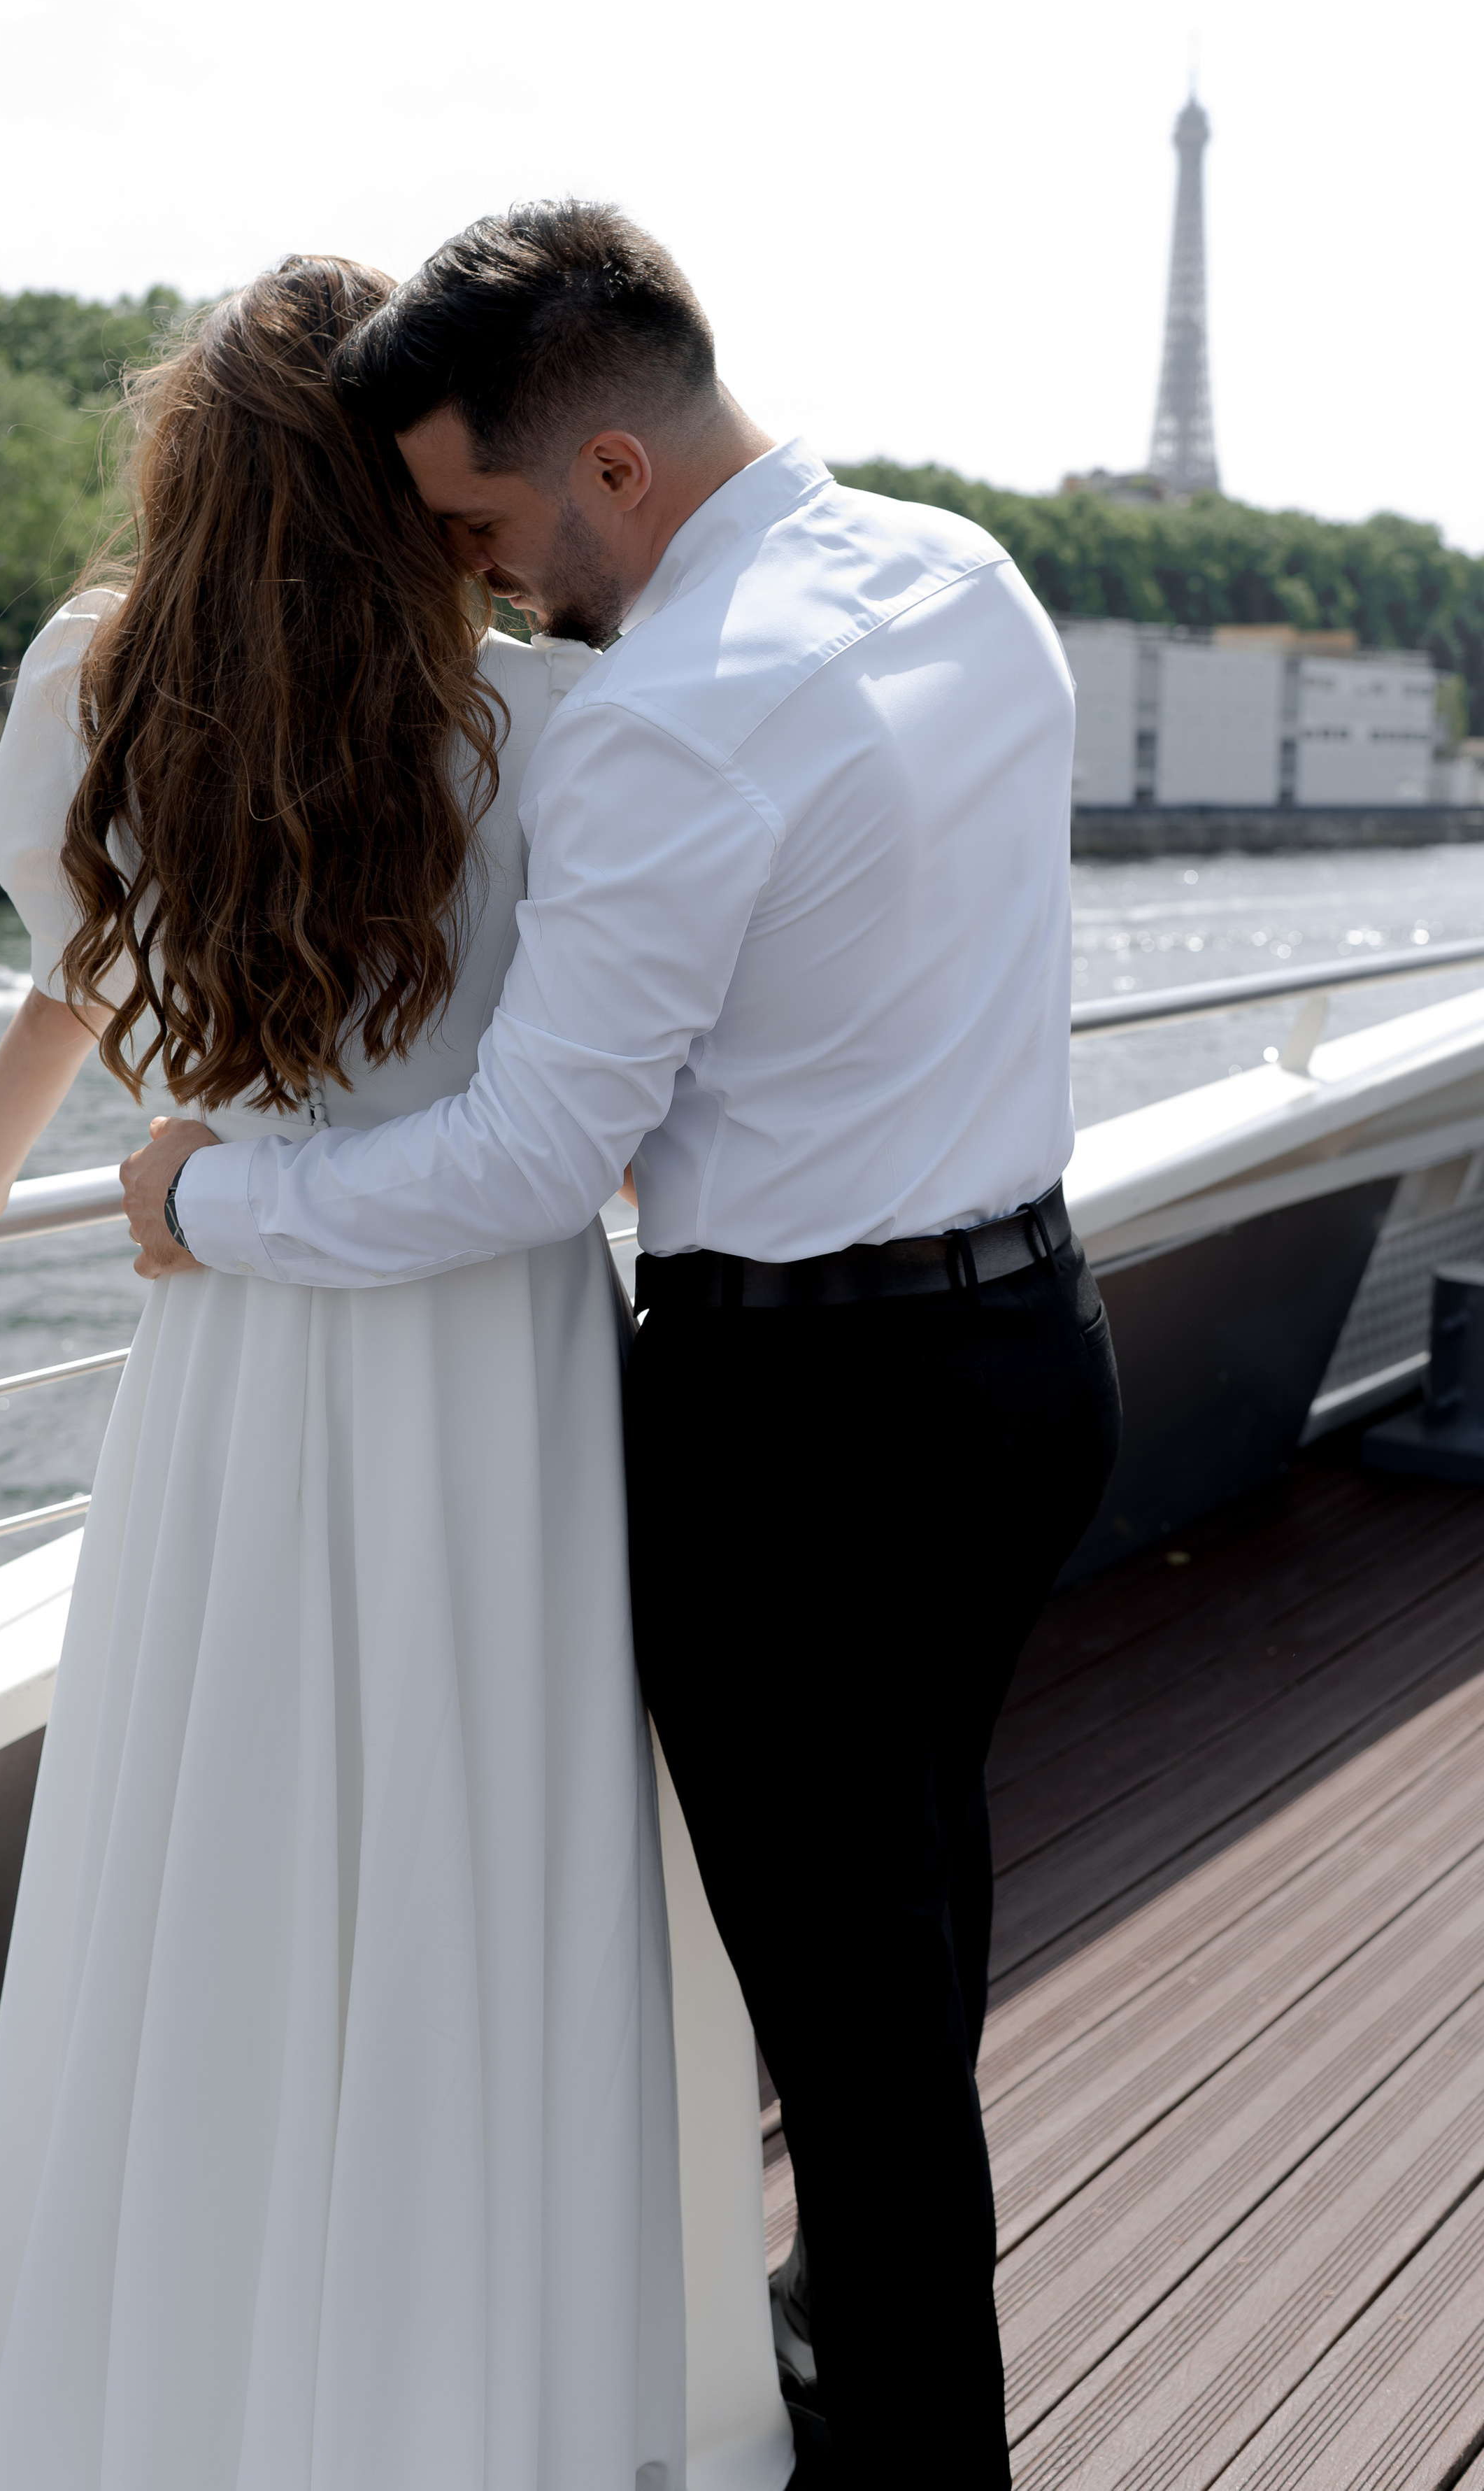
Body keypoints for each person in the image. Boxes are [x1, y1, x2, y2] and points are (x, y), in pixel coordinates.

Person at [122, 202, 1122, 2487]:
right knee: (916, 1908)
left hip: (809, 1429)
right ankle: (831, 2327)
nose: (485, 583)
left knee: (855, 2032)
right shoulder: (970, 578)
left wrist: (210, 1196)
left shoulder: (670, 715)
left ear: (609, 469)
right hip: (1036, 1359)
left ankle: (909, 2443)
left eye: (481, 520)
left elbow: (522, 1155)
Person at [0, 258, 688, 2491]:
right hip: (493, 1361)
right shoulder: (547, 721)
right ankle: (469, 2403)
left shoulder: (95, 681)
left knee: (213, 1878)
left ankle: (189, 2404)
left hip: (231, 1344)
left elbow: (95, 968)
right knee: (471, 1862)